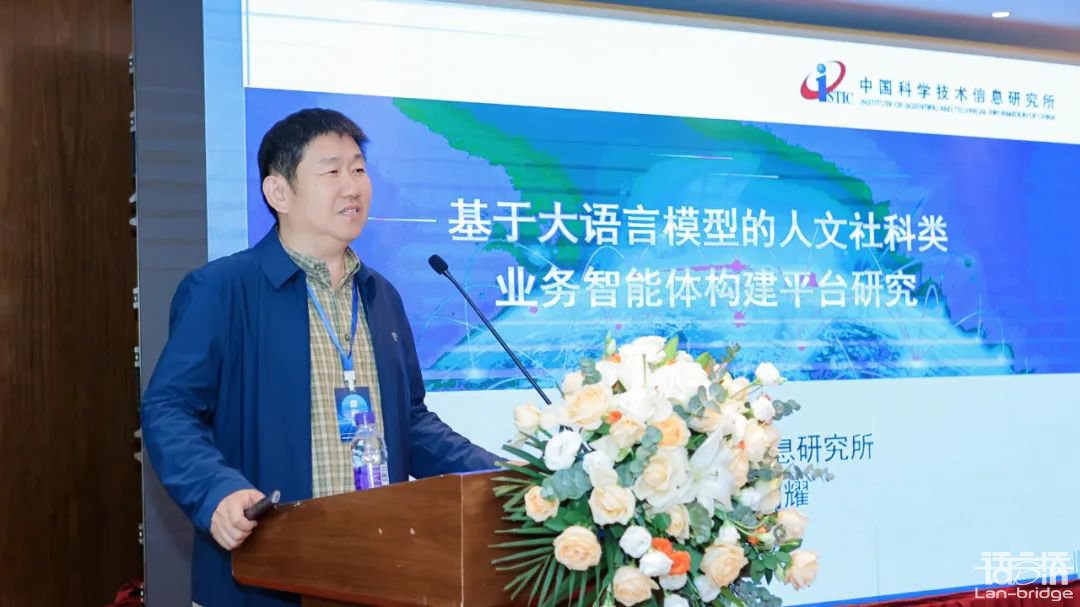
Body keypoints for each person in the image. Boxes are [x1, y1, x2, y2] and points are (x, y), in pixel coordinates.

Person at [142, 108, 499, 607]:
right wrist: (216, 491)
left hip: (378, 570)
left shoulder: (381, 296)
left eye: (359, 169)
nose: (353, 186)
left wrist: (503, 476)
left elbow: (410, 423)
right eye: (332, 171)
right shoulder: (223, 289)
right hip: (264, 574)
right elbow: (169, 409)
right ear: (279, 192)